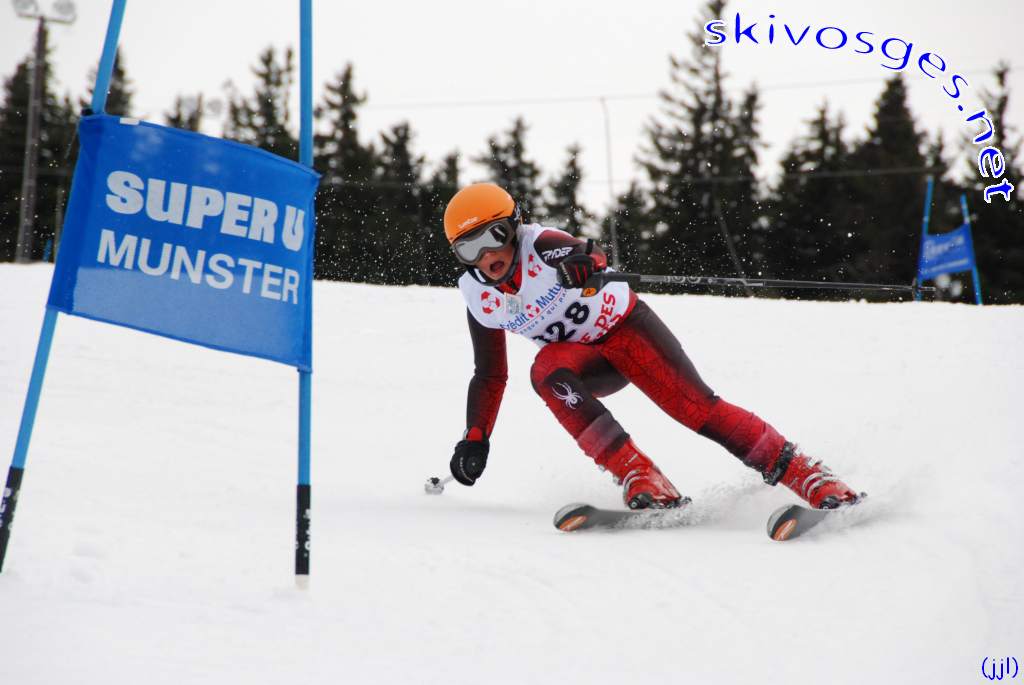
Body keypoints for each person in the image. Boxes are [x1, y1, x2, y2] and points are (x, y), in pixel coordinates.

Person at [443, 182, 861, 511]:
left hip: (629, 335)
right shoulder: (479, 296)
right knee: (546, 370)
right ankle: (640, 475)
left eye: (494, 236)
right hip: (586, 362)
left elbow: (589, 252)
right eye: (469, 248)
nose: (486, 255)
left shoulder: (541, 245)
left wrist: (584, 264)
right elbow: (490, 374)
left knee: (697, 410)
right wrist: (475, 437)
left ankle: (809, 475)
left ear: (515, 226)